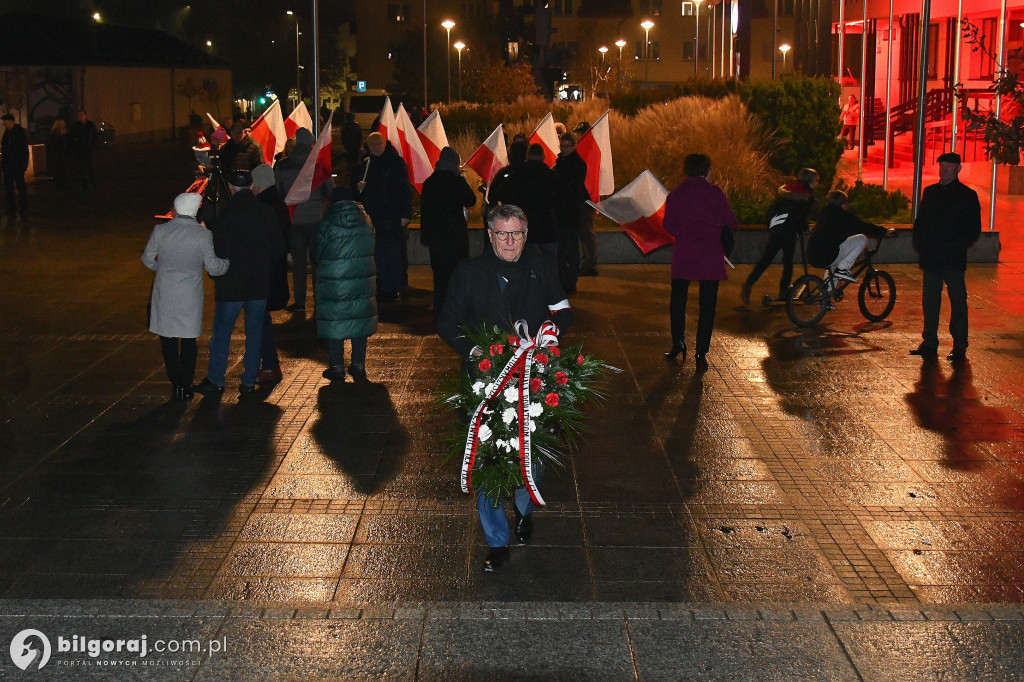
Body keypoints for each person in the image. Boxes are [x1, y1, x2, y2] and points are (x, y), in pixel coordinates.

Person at [438, 203, 573, 573]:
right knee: (488, 462)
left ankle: (525, 507)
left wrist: (551, 333)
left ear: (526, 235)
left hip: (532, 380)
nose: (509, 241)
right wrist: (473, 349)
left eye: (516, 233)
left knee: (534, 455)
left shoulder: (541, 266)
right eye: (502, 233)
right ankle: (496, 542)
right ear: (490, 235)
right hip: (484, 383)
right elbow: (447, 322)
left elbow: (563, 310)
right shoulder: (468, 273)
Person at [196, 170, 279, 396]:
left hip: (231, 285)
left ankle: (216, 379)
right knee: (255, 333)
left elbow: (218, 251)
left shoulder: (225, 216)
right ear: (252, 186)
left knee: (222, 334)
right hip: (257, 285)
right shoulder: (266, 213)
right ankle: (249, 379)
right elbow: (277, 248)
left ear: (231, 188)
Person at [141, 193, 229, 401]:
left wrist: (161, 268)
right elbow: (214, 268)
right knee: (189, 341)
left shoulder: (161, 231)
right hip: (190, 295)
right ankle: (187, 383)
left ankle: (176, 383)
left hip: (165, 293)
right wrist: (227, 263)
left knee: (168, 339)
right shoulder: (203, 235)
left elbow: (147, 258)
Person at [662, 154, 737, 369]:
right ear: (705, 170)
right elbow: (731, 221)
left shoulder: (676, 194)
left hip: (684, 254)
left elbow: (668, 225)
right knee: (707, 305)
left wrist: (684, 234)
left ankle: (678, 342)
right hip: (709, 256)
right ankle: (701, 352)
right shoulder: (715, 193)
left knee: (678, 301)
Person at [910, 152, 982, 362]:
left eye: (949, 166)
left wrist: (956, 246)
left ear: (958, 169)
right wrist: (919, 245)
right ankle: (929, 342)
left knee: (958, 300)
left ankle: (959, 345)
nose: (945, 170)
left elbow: (972, 229)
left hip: (952, 258)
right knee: (930, 301)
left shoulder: (967, 195)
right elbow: (921, 222)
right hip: (931, 257)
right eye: (942, 166)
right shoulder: (930, 192)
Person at [313, 186, 378, 382]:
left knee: (335, 322)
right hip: (361, 279)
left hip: (335, 282)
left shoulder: (327, 223)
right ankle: (358, 364)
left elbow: (317, 253)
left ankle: (337, 366)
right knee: (359, 321)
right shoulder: (366, 221)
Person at [741, 168, 819, 305]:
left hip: (777, 228)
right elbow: (800, 216)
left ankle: (749, 283)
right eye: (816, 180)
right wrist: (805, 228)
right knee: (788, 262)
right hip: (789, 230)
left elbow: (775, 208)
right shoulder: (807, 195)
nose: (817, 183)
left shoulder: (788, 189)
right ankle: (783, 291)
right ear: (811, 180)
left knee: (766, 258)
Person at [275, 128, 333, 312]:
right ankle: (319, 301)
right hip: (316, 220)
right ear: (310, 144)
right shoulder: (319, 164)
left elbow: (278, 193)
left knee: (298, 264)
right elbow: (330, 192)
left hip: (294, 221)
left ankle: (300, 302)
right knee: (317, 263)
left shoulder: (283, 165)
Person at [420, 146, 477, 322]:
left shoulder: (429, 183)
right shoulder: (456, 181)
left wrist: (426, 236)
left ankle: (439, 313)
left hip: (437, 239)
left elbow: (426, 211)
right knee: (457, 276)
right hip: (455, 238)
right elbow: (471, 200)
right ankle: (456, 313)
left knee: (440, 277)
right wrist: (461, 179)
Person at [356, 132, 412, 301]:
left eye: (379, 144)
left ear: (384, 144)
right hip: (375, 217)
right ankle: (382, 286)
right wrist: (360, 188)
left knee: (391, 254)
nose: (377, 148)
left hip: (392, 216)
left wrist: (405, 214)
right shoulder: (367, 165)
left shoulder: (395, 163)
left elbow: (404, 190)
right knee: (378, 253)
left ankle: (392, 287)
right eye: (373, 145)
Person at [251, 163, 291, 385]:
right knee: (262, 319)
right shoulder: (278, 203)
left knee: (260, 321)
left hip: (264, 276)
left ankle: (269, 365)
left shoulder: (264, 206)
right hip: (274, 273)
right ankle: (268, 364)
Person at [489, 143, 561, 260]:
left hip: (524, 227)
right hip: (547, 227)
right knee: (550, 265)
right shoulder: (551, 176)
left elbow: (499, 194)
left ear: (527, 156)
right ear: (543, 157)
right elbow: (560, 201)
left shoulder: (517, 174)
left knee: (525, 264)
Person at [807, 190, 893, 287]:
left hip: (813, 255)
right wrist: (884, 231)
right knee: (862, 238)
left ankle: (826, 298)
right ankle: (843, 268)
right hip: (828, 255)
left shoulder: (824, 213)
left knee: (834, 268)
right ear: (843, 204)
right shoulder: (843, 216)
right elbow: (863, 227)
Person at [553, 132, 588, 294]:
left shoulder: (578, 164)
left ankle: (570, 281)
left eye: (567, 146)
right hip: (561, 212)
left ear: (574, 146)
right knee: (561, 250)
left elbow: (572, 187)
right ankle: (563, 280)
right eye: (562, 146)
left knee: (571, 249)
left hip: (571, 212)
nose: (564, 149)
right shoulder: (560, 162)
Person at [1, 113, 29, 214]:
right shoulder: (8, 133)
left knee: (19, 185)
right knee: (10, 186)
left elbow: (23, 150)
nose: (4, 123)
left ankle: (22, 206)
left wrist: (24, 164)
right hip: (10, 164)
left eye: (5, 121)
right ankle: (13, 206)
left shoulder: (17, 133)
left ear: (10, 121)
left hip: (16, 164)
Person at [68, 110, 97, 191]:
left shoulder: (90, 125)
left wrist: (93, 146)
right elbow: (71, 137)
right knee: (81, 167)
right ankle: (84, 183)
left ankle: (93, 182)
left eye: (81, 115)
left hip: (88, 149)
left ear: (85, 116)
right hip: (79, 150)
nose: (80, 117)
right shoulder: (76, 126)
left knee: (90, 166)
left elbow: (95, 136)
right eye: (79, 115)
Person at [47, 118, 70, 188]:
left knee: (58, 169)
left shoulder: (54, 133)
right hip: (62, 153)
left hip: (57, 154)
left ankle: (59, 183)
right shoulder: (63, 133)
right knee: (63, 169)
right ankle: (63, 183)